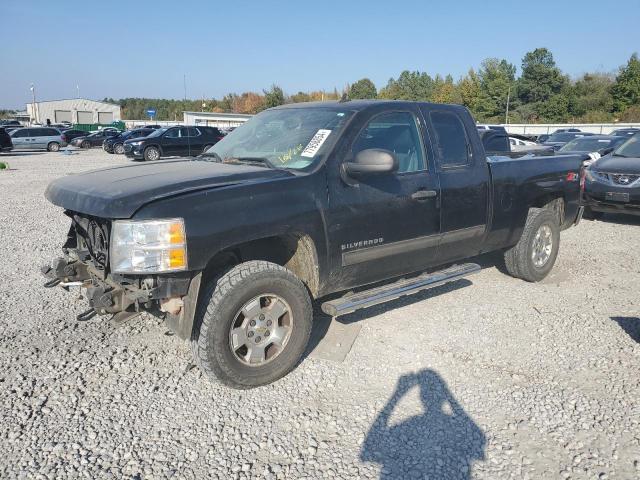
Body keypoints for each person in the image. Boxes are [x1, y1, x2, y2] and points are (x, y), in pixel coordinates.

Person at [361, 369, 485, 479]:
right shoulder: (457, 424)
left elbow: (370, 445)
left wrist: (397, 395)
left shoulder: (405, 425)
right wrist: (448, 395)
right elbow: (477, 438)